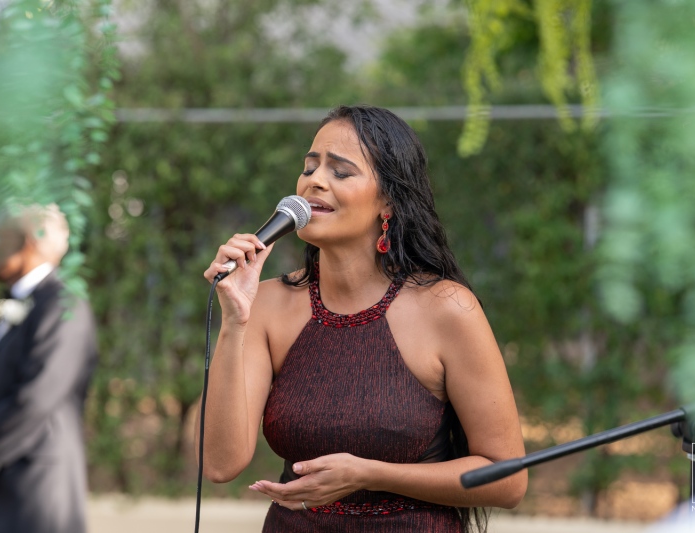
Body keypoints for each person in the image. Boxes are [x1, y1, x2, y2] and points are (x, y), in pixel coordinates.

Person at [199, 105, 528, 532]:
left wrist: (371, 474)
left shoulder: (447, 308)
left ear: (387, 201)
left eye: (340, 171)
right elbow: (219, 464)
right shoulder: (268, 304)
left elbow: (508, 480)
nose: (314, 180)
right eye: (309, 166)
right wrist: (234, 322)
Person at [0, 204, 97, 533]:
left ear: (27, 242)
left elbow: (38, 394)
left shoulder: (63, 304)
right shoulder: (4, 305)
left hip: (36, 492)